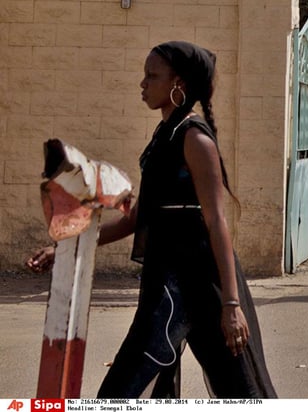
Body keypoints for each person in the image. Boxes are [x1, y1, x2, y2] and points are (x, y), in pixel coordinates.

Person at [26, 41, 275, 398]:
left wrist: (232, 306)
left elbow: (217, 221)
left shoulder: (194, 138)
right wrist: (66, 247)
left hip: (204, 287)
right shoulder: (165, 135)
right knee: (133, 387)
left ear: (179, 84)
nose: (142, 83)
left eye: (151, 76)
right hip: (167, 285)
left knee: (241, 391)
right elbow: (138, 218)